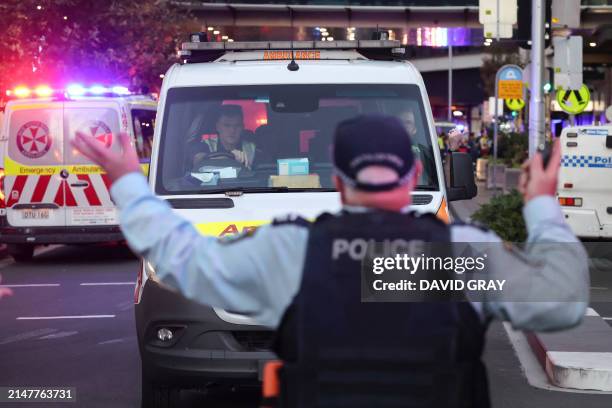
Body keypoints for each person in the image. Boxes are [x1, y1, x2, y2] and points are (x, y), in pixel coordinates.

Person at [72, 115, 588, 407]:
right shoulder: (456, 255)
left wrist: (130, 183)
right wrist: (542, 205)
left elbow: (184, 261)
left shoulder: (293, 252)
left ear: (339, 183)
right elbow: (563, 302)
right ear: (411, 176)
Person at [189, 105, 257, 169]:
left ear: (242, 127)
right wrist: (231, 157)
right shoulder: (206, 145)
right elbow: (198, 160)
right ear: (218, 127)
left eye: (237, 125)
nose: (232, 130)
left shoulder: (252, 148)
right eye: (227, 125)